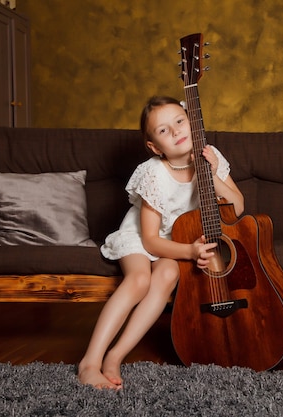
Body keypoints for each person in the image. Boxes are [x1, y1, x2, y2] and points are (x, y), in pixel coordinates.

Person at [77, 95, 245, 389]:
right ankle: (89, 362)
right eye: (164, 130)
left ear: (193, 123)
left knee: (167, 274)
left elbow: (238, 207)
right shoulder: (153, 173)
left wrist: (211, 172)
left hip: (179, 239)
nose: (177, 131)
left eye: (180, 122)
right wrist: (190, 252)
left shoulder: (210, 155)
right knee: (140, 281)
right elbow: (152, 241)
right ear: (155, 147)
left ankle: (114, 356)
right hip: (143, 237)